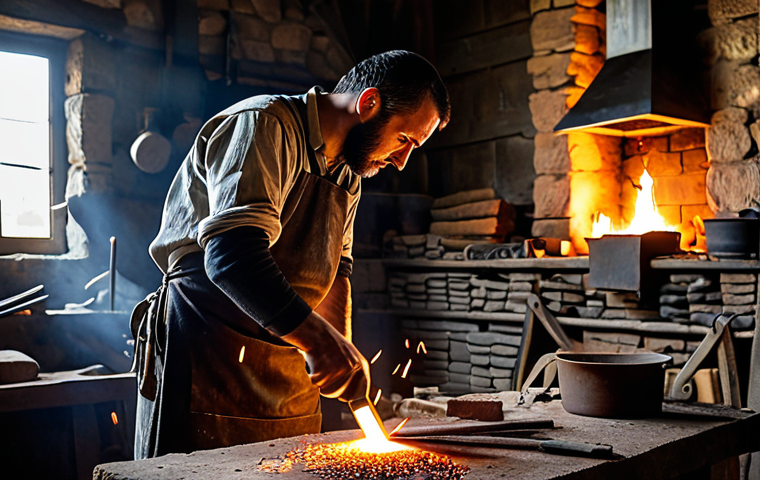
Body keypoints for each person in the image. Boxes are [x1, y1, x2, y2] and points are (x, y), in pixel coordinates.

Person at [131, 50, 450, 459]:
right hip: (209, 348)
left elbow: (337, 272)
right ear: (368, 104)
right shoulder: (263, 125)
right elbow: (232, 255)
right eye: (404, 139)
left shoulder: (349, 174)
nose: (403, 162)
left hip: (288, 362)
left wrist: (341, 350)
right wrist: (318, 341)